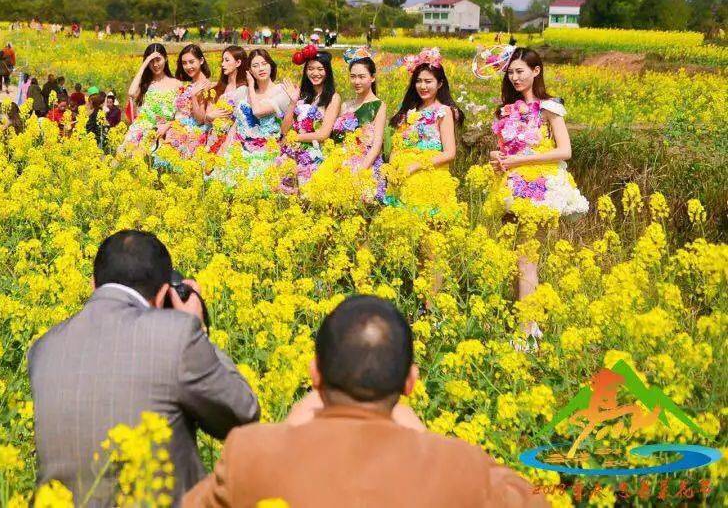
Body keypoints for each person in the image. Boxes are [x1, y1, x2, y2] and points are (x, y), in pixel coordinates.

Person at [184, 296, 545, 507]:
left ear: (315, 375)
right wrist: (420, 434)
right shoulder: (464, 467)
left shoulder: (249, 453)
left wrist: (286, 433)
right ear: (410, 383)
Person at [29, 230, 259, 502]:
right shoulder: (178, 335)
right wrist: (196, 327)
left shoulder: (43, 347)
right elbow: (243, 414)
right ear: (164, 294)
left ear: (93, 285)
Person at [488, 48, 588, 341]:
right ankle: (524, 321)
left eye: (521, 71)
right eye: (511, 72)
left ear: (536, 71)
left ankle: (526, 331)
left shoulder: (549, 108)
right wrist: (499, 158)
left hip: (539, 188)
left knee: (526, 258)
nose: (515, 77)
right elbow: (505, 151)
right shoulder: (506, 110)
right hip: (511, 186)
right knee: (513, 258)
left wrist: (519, 161)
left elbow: (565, 150)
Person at [384, 48, 463, 219]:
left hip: (429, 178)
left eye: (428, 81)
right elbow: (398, 145)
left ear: (440, 84)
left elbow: (450, 153)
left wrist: (416, 165)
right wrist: (392, 170)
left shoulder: (443, 111)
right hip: (402, 180)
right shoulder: (409, 112)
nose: (423, 86)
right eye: (418, 81)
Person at [215, 48, 291, 180]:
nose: (261, 68)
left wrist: (250, 85)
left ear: (271, 66)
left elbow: (257, 112)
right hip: (239, 150)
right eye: (255, 66)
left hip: (266, 153)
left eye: (264, 63)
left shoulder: (281, 91)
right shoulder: (242, 91)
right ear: (250, 71)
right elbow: (237, 124)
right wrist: (222, 150)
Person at [278, 47, 341, 190]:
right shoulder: (301, 95)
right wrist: (293, 102)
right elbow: (284, 129)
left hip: (315, 155)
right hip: (291, 153)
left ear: (327, 72)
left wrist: (294, 138)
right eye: (311, 69)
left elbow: (323, 134)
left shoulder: (333, 98)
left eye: (320, 69)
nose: (315, 73)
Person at [330, 49, 387, 202]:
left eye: (362, 77)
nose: (357, 81)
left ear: (373, 78)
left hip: (364, 165)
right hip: (341, 162)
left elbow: (376, 146)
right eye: (353, 77)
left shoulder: (378, 105)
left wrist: (359, 172)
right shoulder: (346, 105)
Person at [121, 44, 182, 154]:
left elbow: (181, 114)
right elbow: (131, 93)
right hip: (141, 130)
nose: (155, 64)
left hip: (164, 132)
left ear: (166, 59)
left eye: (158, 60)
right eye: (151, 61)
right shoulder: (145, 84)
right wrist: (144, 64)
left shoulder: (177, 84)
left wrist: (168, 126)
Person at [163, 44, 213, 159]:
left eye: (191, 62)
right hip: (177, 131)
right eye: (184, 63)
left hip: (191, 136)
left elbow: (201, 119)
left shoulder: (205, 86)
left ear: (201, 61)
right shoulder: (190, 85)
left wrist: (194, 97)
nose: (187, 66)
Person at [200, 46, 248, 153]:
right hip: (212, 137)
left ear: (238, 63)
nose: (222, 64)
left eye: (227, 60)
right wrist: (209, 116)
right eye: (222, 60)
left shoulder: (243, 90)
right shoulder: (218, 88)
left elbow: (240, 120)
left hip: (230, 142)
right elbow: (207, 118)